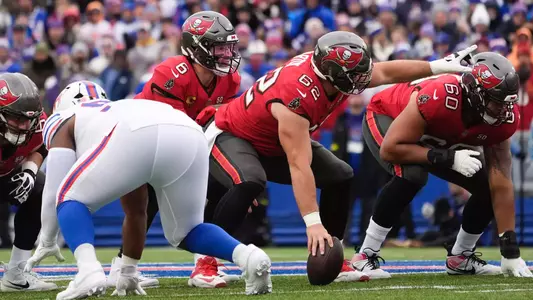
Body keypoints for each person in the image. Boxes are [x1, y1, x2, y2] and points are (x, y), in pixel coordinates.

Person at [194, 30, 477, 283]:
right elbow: (299, 164)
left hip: (271, 141)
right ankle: (205, 263)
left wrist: (437, 66)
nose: (363, 79)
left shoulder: (335, 72)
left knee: (340, 175)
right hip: (235, 134)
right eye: (355, 75)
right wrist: (312, 223)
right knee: (250, 181)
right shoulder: (297, 95)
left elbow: (387, 73)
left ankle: (334, 256)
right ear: (333, 74)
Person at [36, 86, 272, 299]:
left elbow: (55, 190)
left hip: (133, 134)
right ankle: (249, 257)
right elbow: (137, 210)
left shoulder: (63, 118)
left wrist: (47, 239)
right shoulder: (118, 109)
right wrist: (127, 270)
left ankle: (88, 270)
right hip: (188, 131)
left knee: (69, 197)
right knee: (186, 230)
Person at [352, 52, 533, 279]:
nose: (502, 110)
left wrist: (510, 249)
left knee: (487, 186)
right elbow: (391, 149)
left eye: (506, 101)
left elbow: (501, 178)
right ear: (473, 92)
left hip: (437, 139)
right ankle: (365, 255)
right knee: (413, 175)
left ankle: (461, 257)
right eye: (495, 101)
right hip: (388, 116)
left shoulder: (503, 117)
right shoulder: (440, 96)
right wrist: (448, 158)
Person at [109, 10, 242, 289]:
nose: (226, 54)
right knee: (145, 204)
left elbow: (221, 122)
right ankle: (122, 267)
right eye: (219, 47)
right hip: (144, 138)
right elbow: (175, 128)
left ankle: (203, 265)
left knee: (215, 187)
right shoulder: (172, 73)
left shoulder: (229, 79)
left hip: (186, 140)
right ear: (197, 48)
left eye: (229, 47)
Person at [0, 73, 58, 292]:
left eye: (28, 119)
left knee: (40, 189)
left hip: (6, 173)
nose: (25, 126)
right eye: (17, 118)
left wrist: (30, 172)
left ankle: (16, 273)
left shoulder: (38, 122)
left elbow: (40, 146)